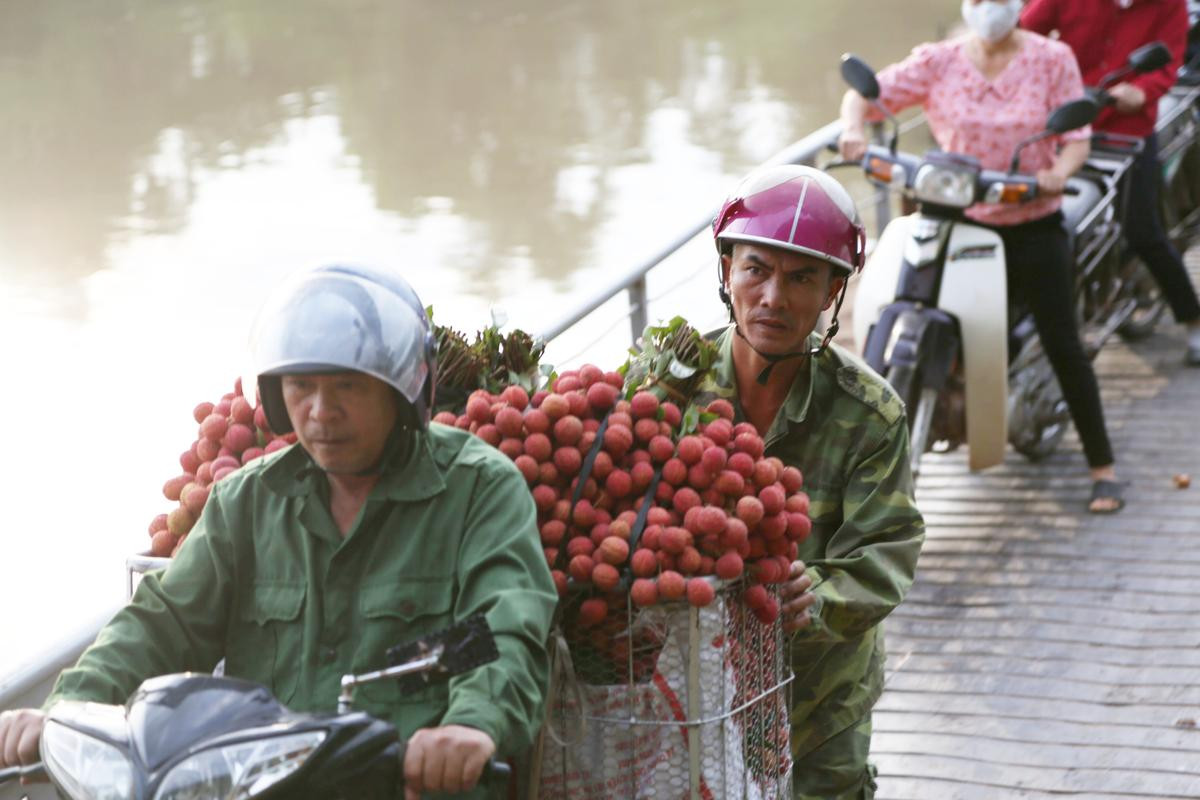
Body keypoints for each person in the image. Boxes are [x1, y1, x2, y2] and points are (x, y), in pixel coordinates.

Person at [0, 264, 558, 799]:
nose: (320, 411)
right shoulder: (247, 503)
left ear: (401, 390)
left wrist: (468, 726)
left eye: (347, 387)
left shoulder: (478, 491)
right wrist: (65, 710)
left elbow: (501, 628)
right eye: (301, 386)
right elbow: (162, 621)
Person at [838, 0, 1128, 513]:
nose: (988, 7)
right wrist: (854, 129)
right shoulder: (939, 60)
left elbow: (1076, 138)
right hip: (952, 217)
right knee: (908, 306)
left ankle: (1101, 467)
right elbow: (866, 93)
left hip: (1028, 217)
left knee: (1064, 341)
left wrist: (1058, 170)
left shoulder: (1051, 57)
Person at [696, 163, 926, 799]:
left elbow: (885, 554)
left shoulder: (869, 414)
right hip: (693, 680)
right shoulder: (669, 390)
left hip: (820, 696)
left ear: (832, 294)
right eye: (756, 270)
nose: (773, 297)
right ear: (726, 274)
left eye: (801, 278)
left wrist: (814, 596)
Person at [1021, 0, 1200, 366]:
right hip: (1066, 124)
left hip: (1126, 128)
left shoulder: (1170, 5)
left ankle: (1193, 319)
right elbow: (1023, 33)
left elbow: (1167, 64)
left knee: (1143, 230)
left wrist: (1142, 90)